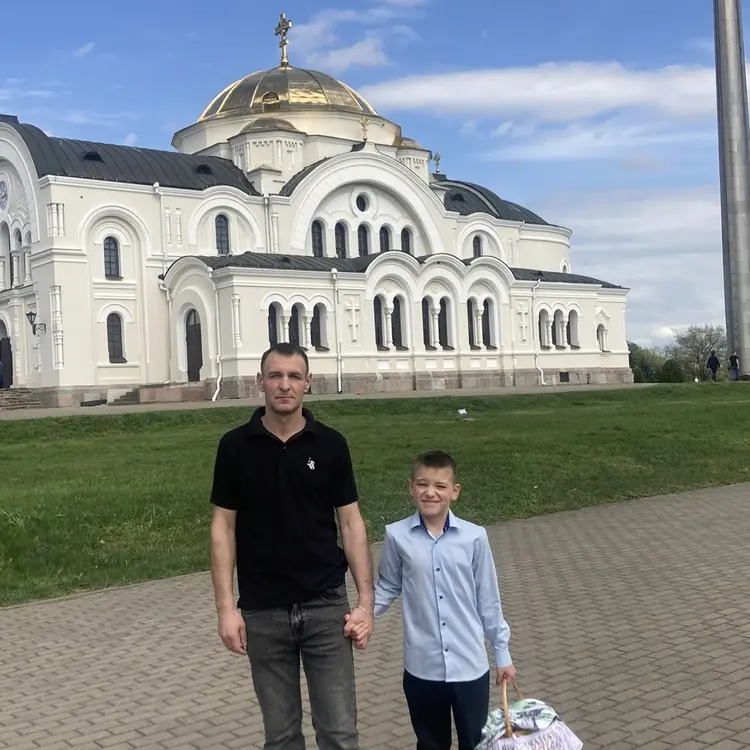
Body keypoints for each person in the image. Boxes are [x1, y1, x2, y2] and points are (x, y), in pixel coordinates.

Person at [209, 342, 374, 750]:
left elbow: (350, 522)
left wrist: (365, 602)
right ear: (259, 382)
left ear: (308, 383)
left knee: (339, 734)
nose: (285, 385)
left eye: (294, 376)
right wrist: (226, 609)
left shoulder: (331, 445)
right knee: (281, 737)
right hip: (263, 611)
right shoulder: (234, 447)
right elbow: (222, 528)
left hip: (325, 607)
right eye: (276, 376)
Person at [354, 450, 515, 750]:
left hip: (469, 666)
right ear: (410, 487)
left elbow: (488, 599)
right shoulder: (396, 536)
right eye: (422, 484)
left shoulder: (474, 537)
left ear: (455, 491)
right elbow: (388, 585)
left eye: (440, 486)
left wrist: (502, 653)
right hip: (421, 668)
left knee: (475, 742)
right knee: (430, 744)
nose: (430, 492)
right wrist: (364, 613)